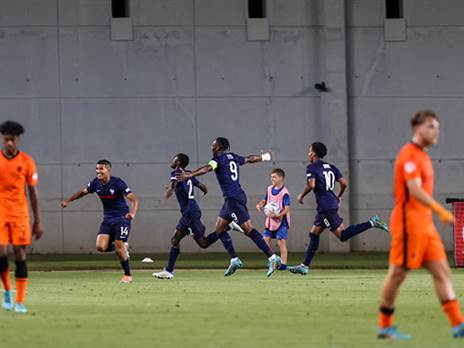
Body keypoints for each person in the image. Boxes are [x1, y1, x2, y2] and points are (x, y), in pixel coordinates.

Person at [377, 111, 464, 339]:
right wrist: (441, 211)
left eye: (437, 126)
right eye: (431, 126)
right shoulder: (408, 155)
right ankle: (385, 325)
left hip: (425, 226)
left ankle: (458, 324)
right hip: (408, 225)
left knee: (442, 271)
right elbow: (414, 190)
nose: (436, 131)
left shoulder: (424, 156)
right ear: (417, 129)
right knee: (398, 274)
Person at [176, 137, 281, 277]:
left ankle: (272, 258)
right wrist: (263, 157)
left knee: (249, 229)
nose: (211, 147)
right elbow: (249, 159)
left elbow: (207, 168)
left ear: (219, 147)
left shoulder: (217, 160)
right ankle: (234, 259)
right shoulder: (233, 157)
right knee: (219, 228)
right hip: (232, 199)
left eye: (213, 145)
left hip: (234, 199)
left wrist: (190, 174)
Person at [288, 142, 389, 275]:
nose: (308, 154)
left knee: (342, 236)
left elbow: (312, 184)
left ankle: (371, 222)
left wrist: (301, 195)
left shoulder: (312, 168)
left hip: (325, 208)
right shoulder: (331, 167)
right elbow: (344, 183)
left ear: (313, 153)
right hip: (329, 205)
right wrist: (339, 196)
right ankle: (304, 266)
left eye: (309, 151)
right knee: (314, 234)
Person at [153, 153, 241, 279]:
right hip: (192, 210)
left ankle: (169, 270)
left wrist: (169, 191)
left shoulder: (176, 172)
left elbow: (174, 185)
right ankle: (169, 270)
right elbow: (202, 186)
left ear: (178, 162)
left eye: (174, 159)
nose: (172, 161)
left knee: (180, 239)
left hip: (189, 212)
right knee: (192, 242)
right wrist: (204, 190)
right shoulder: (189, 173)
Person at [61, 160, 138, 284]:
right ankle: (123, 247)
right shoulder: (95, 183)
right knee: (101, 247)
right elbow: (82, 192)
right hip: (107, 219)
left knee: (119, 248)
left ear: (108, 170)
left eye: (101, 169)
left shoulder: (118, 183)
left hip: (122, 219)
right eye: (97, 169)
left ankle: (127, 275)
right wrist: (68, 200)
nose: (98, 171)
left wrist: (132, 213)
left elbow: (134, 199)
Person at [0, 120, 44, 313]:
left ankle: (19, 301)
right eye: (6, 139)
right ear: (3, 139)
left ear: (18, 140)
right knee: (1, 253)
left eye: (12, 139)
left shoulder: (27, 161)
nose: (9, 143)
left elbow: (33, 193)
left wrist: (38, 221)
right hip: (0, 213)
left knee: (20, 254)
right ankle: (7, 290)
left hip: (20, 214)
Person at [256, 168, 291, 270]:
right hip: (270, 221)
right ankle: (273, 259)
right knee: (264, 242)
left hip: (281, 221)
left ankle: (283, 265)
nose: (272, 179)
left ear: (281, 178)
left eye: (274, 177)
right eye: (271, 177)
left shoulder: (284, 192)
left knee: (281, 242)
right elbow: (265, 200)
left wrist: (278, 214)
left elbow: (287, 208)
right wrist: (260, 205)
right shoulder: (269, 188)